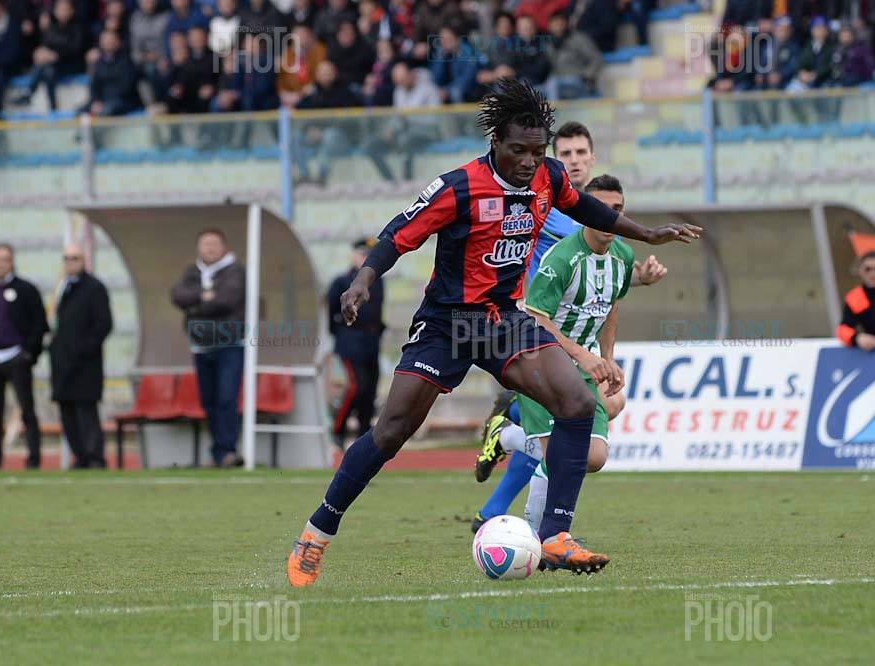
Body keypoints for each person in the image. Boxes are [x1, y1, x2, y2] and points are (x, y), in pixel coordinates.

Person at [285, 78, 701, 586]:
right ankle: (316, 532)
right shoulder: (458, 186)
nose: (530, 161)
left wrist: (647, 232)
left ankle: (555, 535)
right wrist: (363, 280)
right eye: (519, 151)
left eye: (538, 151)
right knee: (392, 432)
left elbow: (587, 208)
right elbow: (398, 234)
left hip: (504, 320)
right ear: (496, 144)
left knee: (576, 402)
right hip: (448, 324)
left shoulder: (547, 177)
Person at [471, 122, 666, 530]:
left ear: (592, 157)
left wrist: (640, 279)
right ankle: (539, 530)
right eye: (566, 154)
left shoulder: (604, 222)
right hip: (530, 330)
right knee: (562, 442)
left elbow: (609, 287)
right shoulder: (539, 204)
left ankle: (505, 444)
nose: (574, 161)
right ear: (551, 160)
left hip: (572, 337)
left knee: (601, 415)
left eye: (581, 153)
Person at [518, 175, 638, 533]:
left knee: (594, 457)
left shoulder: (624, 256)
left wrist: (608, 355)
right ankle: (541, 537)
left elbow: (612, 305)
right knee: (560, 456)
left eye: (616, 210)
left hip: (583, 368)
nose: (610, 217)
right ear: (585, 212)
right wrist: (581, 355)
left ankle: (510, 438)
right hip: (541, 361)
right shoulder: (563, 258)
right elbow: (534, 315)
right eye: (601, 209)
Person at [170, 229, 246, 468]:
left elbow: (227, 300)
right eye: (205, 244)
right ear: (198, 248)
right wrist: (205, 296)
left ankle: (228, 450)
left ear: (223, 246)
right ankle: (218, 452)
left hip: (230, 344)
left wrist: (195, 306)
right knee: (209, 400)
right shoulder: (193, 272)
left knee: (226, 397)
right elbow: (177, 296)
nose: (210, 248)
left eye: (214, 244)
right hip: (201, 346)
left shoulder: (235, 271)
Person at [49, 244, 113, 468]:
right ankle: (80, 457)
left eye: (75, 258)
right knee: (67, 410)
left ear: (84, 260)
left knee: (86, 410)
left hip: (85, 364)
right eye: (66, 258)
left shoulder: (94, 288)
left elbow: (104, 324)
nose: (70, 262)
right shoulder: (63, 287)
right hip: (62, 362)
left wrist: (83, 349)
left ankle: (94, 456)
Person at [326, 237, 386, 450]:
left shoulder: (378, 281)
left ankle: (363, 438)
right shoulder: (341, 282)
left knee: (370, 391)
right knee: (356, 386)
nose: (364, 259)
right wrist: (343, 334)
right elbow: (332, 314)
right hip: (350, 341)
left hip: (371, 342)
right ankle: (338, 429)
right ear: (354, 255)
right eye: (362, 254)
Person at [0, 243, 49, 469]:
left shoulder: (26, 289)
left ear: (12, 261)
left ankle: (34, 459)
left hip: (17, 358)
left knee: (27, 409)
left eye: (4, 259)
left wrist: (28, 353)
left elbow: (40, 324)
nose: (0, 264)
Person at [365, 62, 442, 182]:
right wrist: (391, 129)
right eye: (397, 80)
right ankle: (391, 180)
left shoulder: (429, 89)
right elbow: (398, 116)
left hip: (427, 133)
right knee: (371, 145)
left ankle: (408, 180)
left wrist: (407, 121)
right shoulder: (399, 91)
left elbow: (435, 119)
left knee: (404, 140)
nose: (401, 83)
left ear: (410, 74)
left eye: (403, 78)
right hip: (402, 132)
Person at [10, 0, 85, 110]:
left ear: (72, 11)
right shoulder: (51, 26)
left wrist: (56, 54)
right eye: (60, 9)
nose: (63, 12)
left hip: (72, 64)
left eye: (66, 9)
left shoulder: (78, 26)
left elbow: (76, 49)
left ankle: (29, 93)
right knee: (47, 69)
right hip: (53, 64)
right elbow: (46, 44)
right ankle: (52, 105)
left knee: (47, 69)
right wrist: (41, 52)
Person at [83, 30, 143, 117]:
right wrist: (95, 101)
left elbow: (126, 88)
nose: (108, 43)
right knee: (81, 112)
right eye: (105, 41)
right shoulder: (99, 62)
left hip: (124, 101)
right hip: (103, 101)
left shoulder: (127, 61)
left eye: (110, 40)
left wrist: (103, 103)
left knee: (106, 110)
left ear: (118, 42)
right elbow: (94, 85)